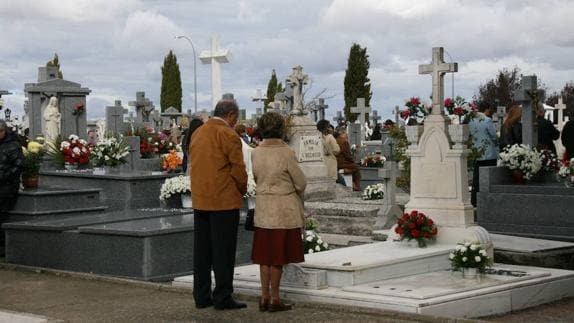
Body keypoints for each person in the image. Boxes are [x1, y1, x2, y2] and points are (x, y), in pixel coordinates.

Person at [189, 99, 248, 310]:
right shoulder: (228, 134)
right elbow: (238, 169)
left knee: (202, 251)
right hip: (223, 200)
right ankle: (223, 296)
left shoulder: (199, 132)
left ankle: (201, 295)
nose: (235, 122)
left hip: (201, 199)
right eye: (236, 118)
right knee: (223, 252)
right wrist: (242, 189)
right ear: (231, 115)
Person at [251, 112, 306, 312]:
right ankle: (275, 298)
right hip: (283, 209)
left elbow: (257, 177)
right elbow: (300, 183)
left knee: (264, 256)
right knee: (278, 257)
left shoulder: (256, 152)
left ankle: (264, 296)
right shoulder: (286, 152)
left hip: (264, 207)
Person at [0, 119, 24, 256]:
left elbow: (18, 165)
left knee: (1, 213)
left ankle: (3, 246)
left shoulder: (13, 145)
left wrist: (5, 176)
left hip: (7, 185)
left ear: (3, 131)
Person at [469, 103, 498, 207]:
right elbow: (494, 136)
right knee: (488, 178)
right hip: (488, 153)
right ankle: (487, 201)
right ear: (487, 109)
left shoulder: (471, 121)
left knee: (476, 178)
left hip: (477, 153)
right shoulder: (487, 120)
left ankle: (474, 200)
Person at [335, 126, 361, 191]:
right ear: (342, 133)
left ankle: (353, 183)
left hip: (337, 163)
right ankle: (357, 187)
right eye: (345, 133)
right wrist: (353, 161)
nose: (346, 134)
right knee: (356, 167)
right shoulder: (344, 142)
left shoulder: (336, 140)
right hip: (342, 163)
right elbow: (347, 155)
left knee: (354, 167)